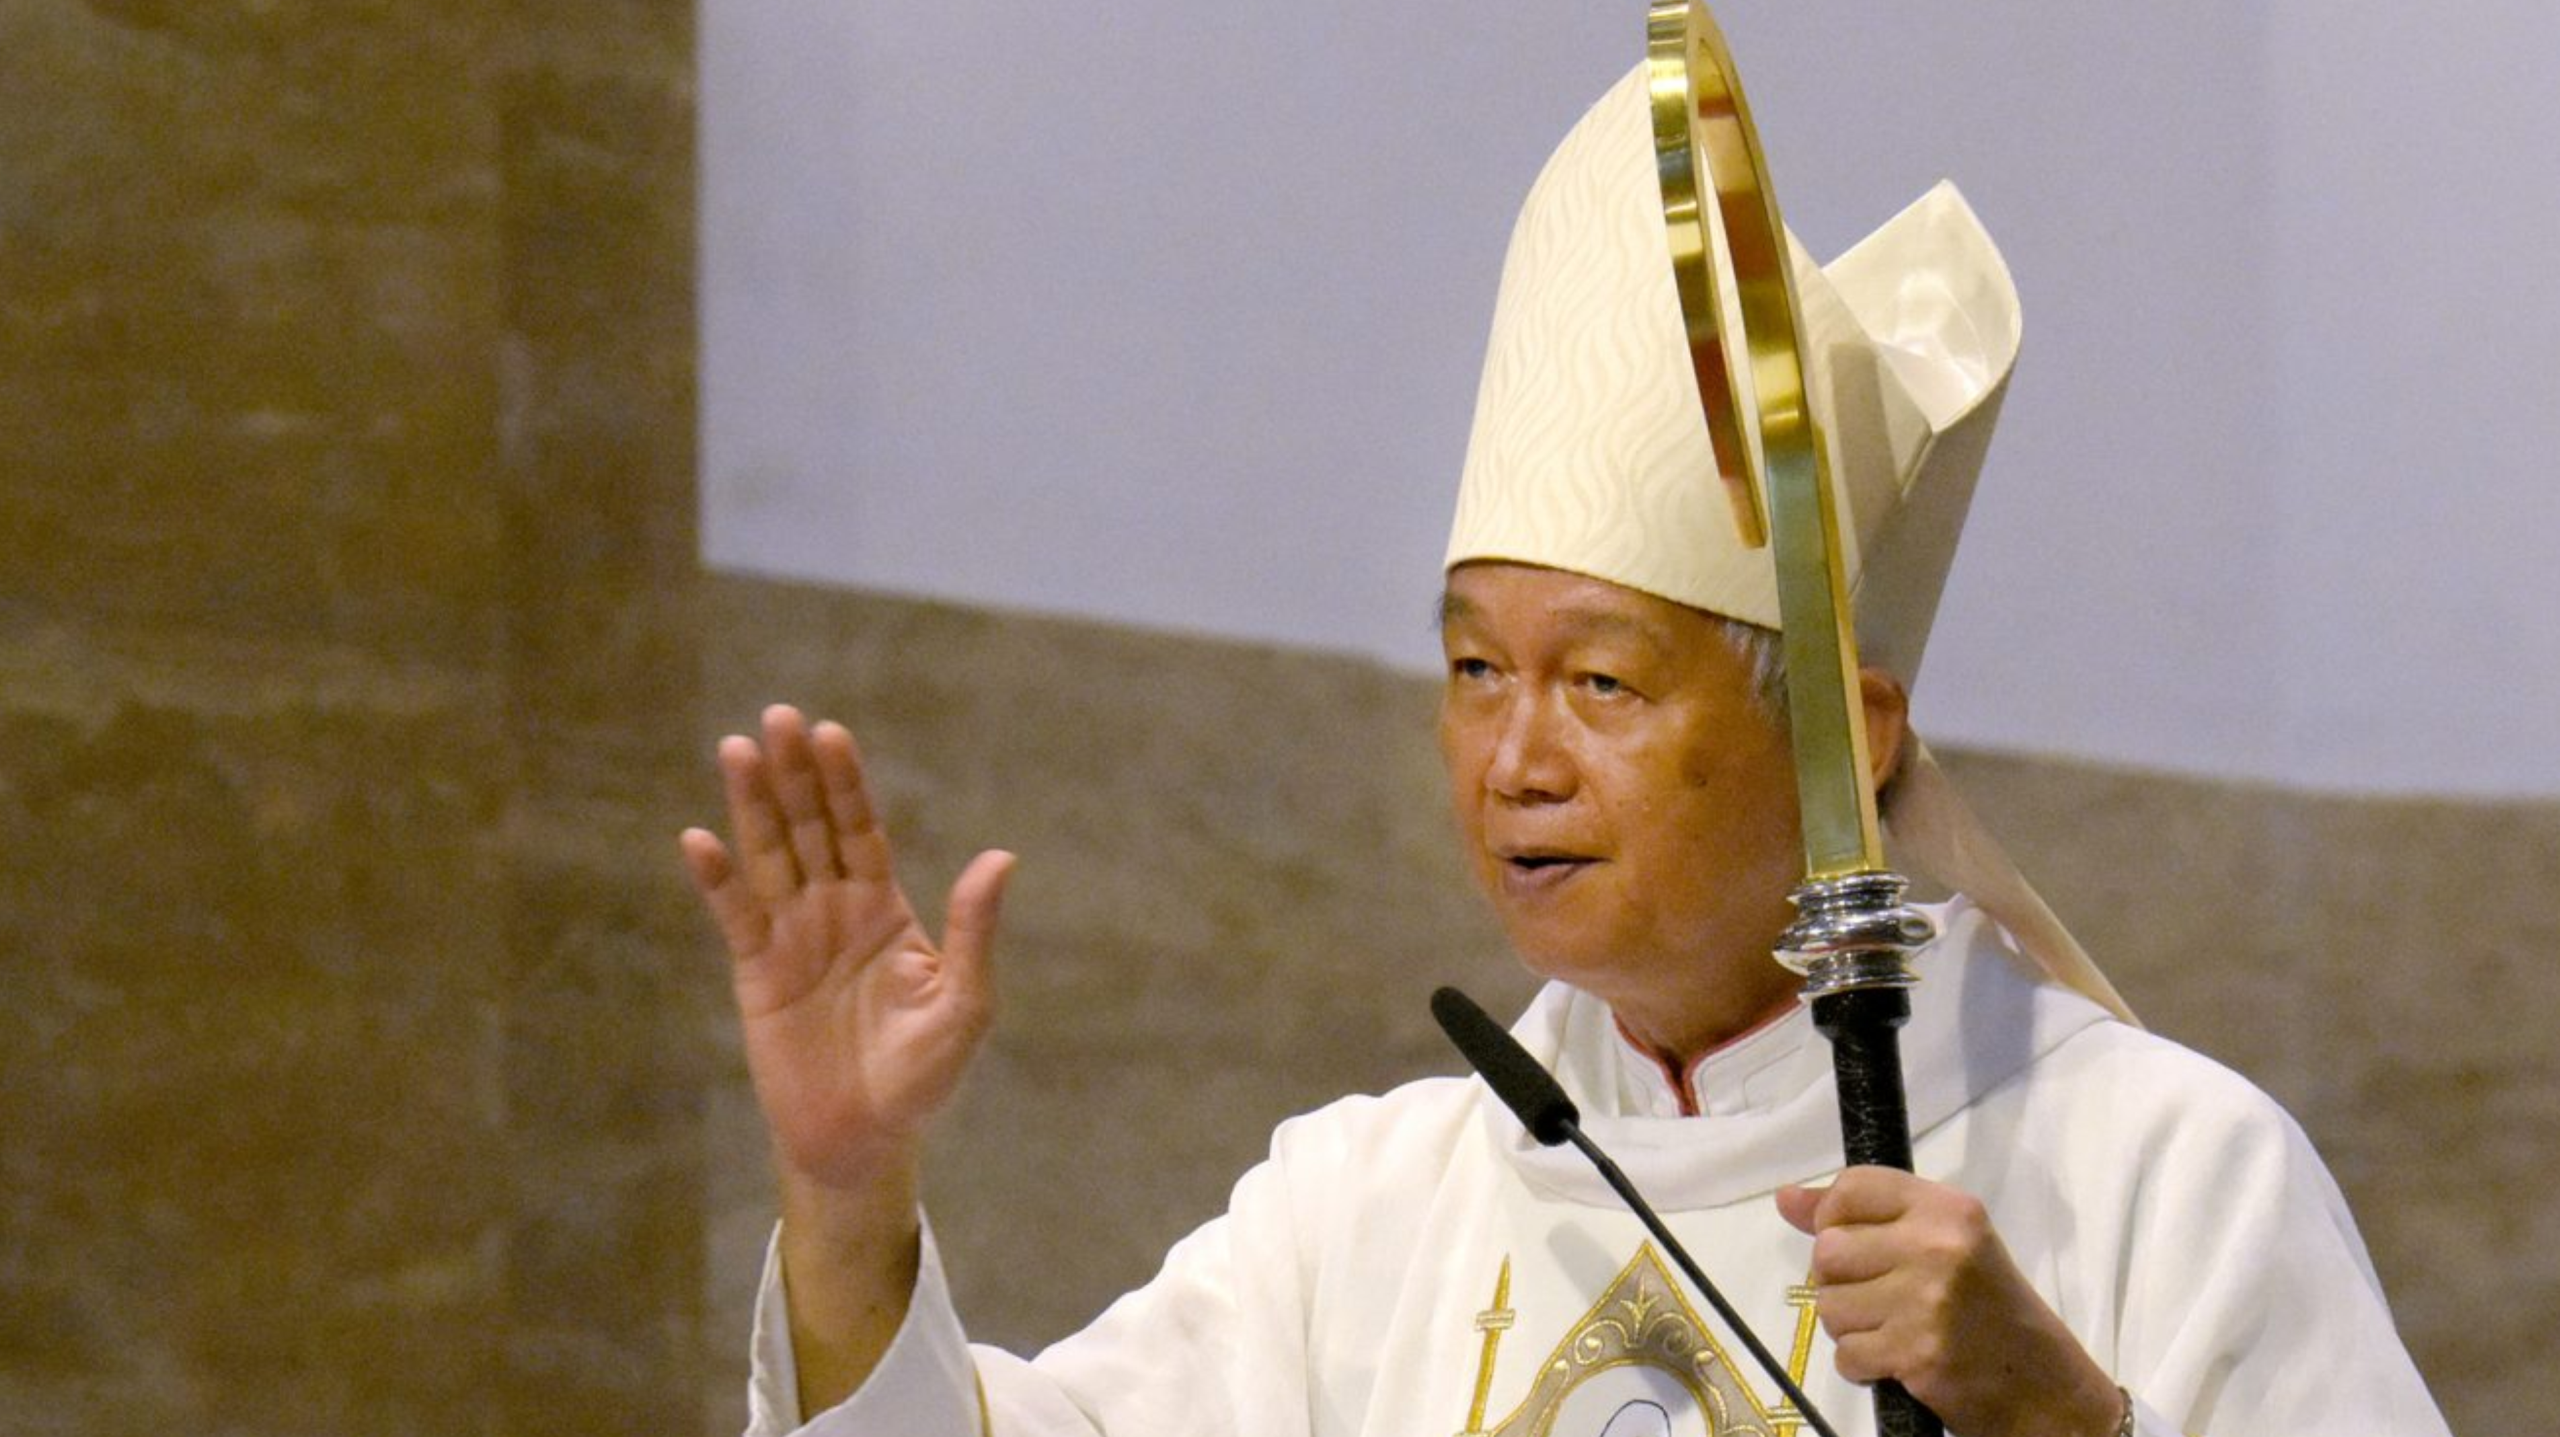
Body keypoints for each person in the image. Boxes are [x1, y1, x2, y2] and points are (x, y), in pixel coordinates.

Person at [681, 64, 2450, 1437]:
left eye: (1601, 682)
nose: (1513, 759)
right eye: (1474, 669)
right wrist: (844, 1190)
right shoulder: (1366, 1214)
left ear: (1844, 737)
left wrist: (2066, 1422)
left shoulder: (2157, 1169)